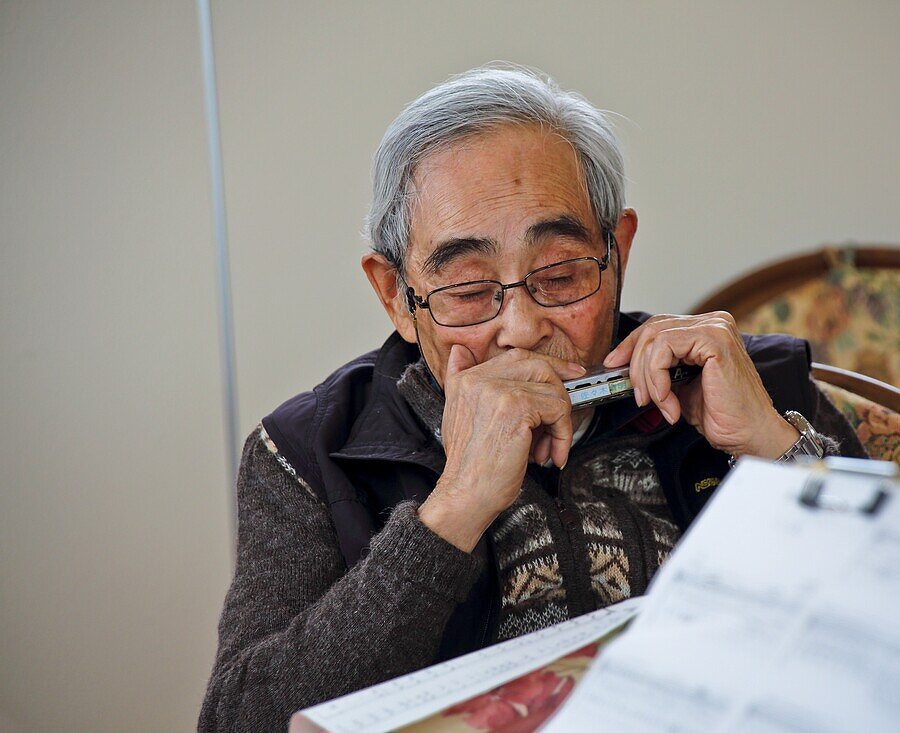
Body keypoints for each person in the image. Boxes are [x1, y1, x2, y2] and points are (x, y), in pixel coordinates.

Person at [199, 66, 865, 731]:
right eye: (466, 287)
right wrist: (453, 509)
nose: (522, 327)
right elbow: (238, 719)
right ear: (396, 296)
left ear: (618, 252)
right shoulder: (306, 450)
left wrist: (779, 449)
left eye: (561, 273)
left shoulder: (750, 382)